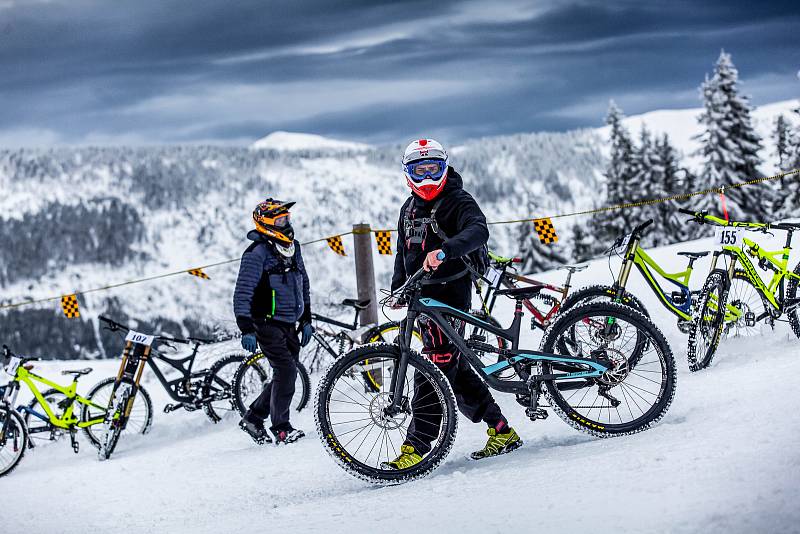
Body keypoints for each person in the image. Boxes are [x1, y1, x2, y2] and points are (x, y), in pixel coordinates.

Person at [385, 138, 522, 469]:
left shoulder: (458, 200)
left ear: (444, 168)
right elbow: (403, 254)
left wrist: (446, 251)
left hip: (451, 291)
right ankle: (501, 429)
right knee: (454, 367)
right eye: (420, 170)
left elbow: (478, 231)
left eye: (434, 168)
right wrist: (398, 289)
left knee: (435, 367)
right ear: (408, 174)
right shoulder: (408, 208)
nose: (428, 176)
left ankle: (415, 447)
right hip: (421, 295)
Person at [233, 198, 314, 445]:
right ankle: (281, 428)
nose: (286, 223)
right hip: (265, 322)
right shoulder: (256, 254)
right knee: (287, 371)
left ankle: (254, 418)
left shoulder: (293, 247)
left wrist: (307, 318)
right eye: (280, 220)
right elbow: (243, 291)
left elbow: (303, 282)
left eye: (287, 219)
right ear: (266, 223)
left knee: (284, 373)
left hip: (290, 321)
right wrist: (246, 327)